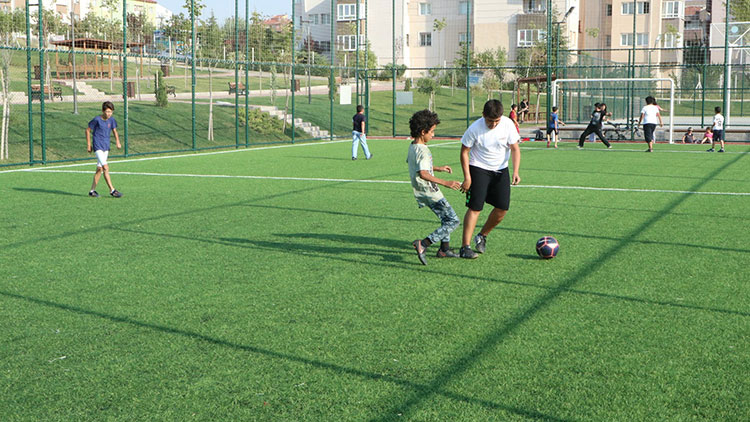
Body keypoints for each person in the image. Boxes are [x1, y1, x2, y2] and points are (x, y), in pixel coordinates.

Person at [458, 99, 521, 259]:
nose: (493, 124)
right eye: (490, 121)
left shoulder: (508, 124)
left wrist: (516, 171)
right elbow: (464, 152)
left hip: (501, 170)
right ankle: (465, 247)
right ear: (483, 115)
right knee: (475, 207)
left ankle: (482, 235)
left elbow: (515, 149)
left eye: (496, 121)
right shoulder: (474, 128)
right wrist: (467, 177)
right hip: (479, 168)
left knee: (502, 208)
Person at [408, 110, 463, 265]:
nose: (433, 135)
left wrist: (437, 168)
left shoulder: (413, 146)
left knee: (446, 219)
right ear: (423, 131)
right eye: (432, 132)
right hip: (430, 192)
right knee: (453, 221)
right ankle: (424, 244)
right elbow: (423, 173)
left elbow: (417, 167)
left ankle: (444, 250)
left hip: (422, 191)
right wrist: (446, 182)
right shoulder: (424, 150)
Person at [87, 101, 122, 198]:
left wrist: (118, 142)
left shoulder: (112, 120)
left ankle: (92, 191)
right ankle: (112, 190)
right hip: (98, 146)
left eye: (110, 112)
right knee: (106, 167)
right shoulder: (97, 120)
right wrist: (89, 144)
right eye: (107, 111)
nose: (109, 114)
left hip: (106, 147)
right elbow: (88, 130)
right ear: (103, 111)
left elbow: (115, 131)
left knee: (100, 169)